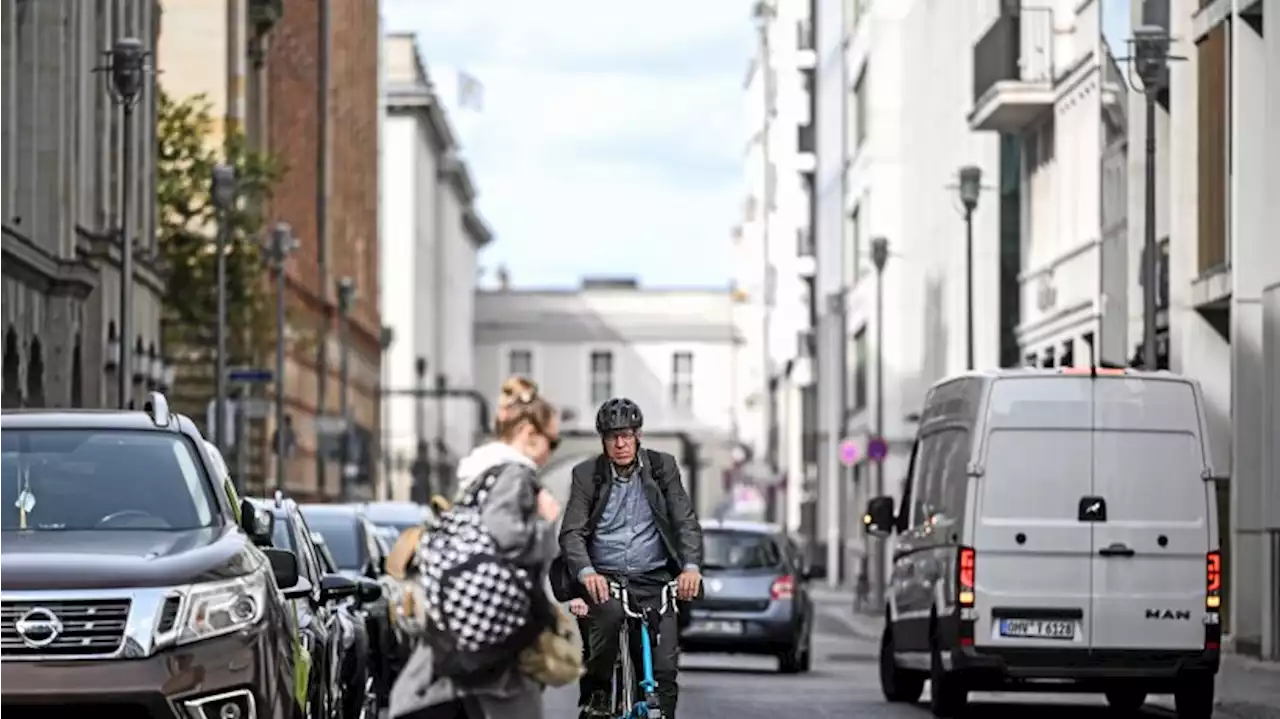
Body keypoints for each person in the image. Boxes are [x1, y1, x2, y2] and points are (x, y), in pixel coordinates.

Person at [390, 377, 563, 719]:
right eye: (552, 442)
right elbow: (508, 536)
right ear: (529, 434)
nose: (551, 452)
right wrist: (548, 526)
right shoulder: (515, 475)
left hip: (459, 611)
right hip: (497, 619)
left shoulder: (478, 474)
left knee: (429, 696)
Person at [559, 397, 704, 719]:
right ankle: (597, 693)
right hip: (605, 580)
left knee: (663, 669)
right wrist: (586, 573)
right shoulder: (587, 474)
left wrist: (690, 568)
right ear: (603, 440)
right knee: (606, 626)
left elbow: (685, 522)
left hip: (654, 580)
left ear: (638, 434)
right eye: (613, 437)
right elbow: (572, 533)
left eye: (626, 434)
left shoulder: (662, 467)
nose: (621, 443)